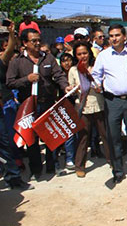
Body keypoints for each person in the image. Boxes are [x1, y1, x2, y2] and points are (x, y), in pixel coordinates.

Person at [7, 28, 71, 180]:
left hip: (47, 102)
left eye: (38, 40)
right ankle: (35, 169)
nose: (37, 43)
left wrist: (65, 86)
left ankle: (52, 165)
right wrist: (26, 79)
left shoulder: (48, 58)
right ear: (24, 43)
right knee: (32, 139)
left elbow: (58, 75)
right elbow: (10, 82)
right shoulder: (17, 62)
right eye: (33, 41)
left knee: (51, 134)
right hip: (28, 105)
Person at [92, 24, 127, 184]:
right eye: (111, 36)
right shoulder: (104, 55)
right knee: (113, 136)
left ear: (124, 37)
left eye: (117, 35)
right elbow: (96, 74)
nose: (114, 38)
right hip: (112, 101)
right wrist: (97, 84)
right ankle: (118, 170)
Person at [68, 41, 111, 178]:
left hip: (99, 105)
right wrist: (75, 89)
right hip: (83, 108)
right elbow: (71, 88)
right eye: (79, 54)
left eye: (85, 53)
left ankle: (112, 161)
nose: (82, 56)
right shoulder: (73, 70)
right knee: (83, 137)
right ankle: (79, 165)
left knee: (105, 135)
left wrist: (99, 87)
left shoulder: (96, 67)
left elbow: (104, 83)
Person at [0, 20, 33, 190]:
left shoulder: (2, 61)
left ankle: (13, 178)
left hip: (3, 107)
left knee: (6, 143)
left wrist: (12, 32)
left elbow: (10, 48)